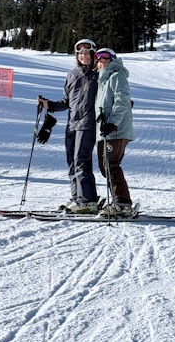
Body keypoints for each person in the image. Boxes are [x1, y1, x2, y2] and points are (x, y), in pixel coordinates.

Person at [37, 39, 99, 214]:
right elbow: (66, 102)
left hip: (88, 123)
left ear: (93, 54)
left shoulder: (98, 75)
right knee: (71, 161)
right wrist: (48, 105)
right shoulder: (72, 75)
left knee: (81, 160)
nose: (83, 56)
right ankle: (77, 198)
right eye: (80, 54)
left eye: (87, 53)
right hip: (72, 124)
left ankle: (88, 200)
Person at [94, 48, 134, 217]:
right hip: (105, 130)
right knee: (106, 167)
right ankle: (119, 201)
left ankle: (122, 203)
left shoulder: (117, 76)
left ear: (113, 59)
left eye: (105, 57)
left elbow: (122, 100)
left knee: (111, 165)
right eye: (98, 58)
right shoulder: (102, 80)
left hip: (116, 129)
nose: (101, 60)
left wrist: (112, 122)